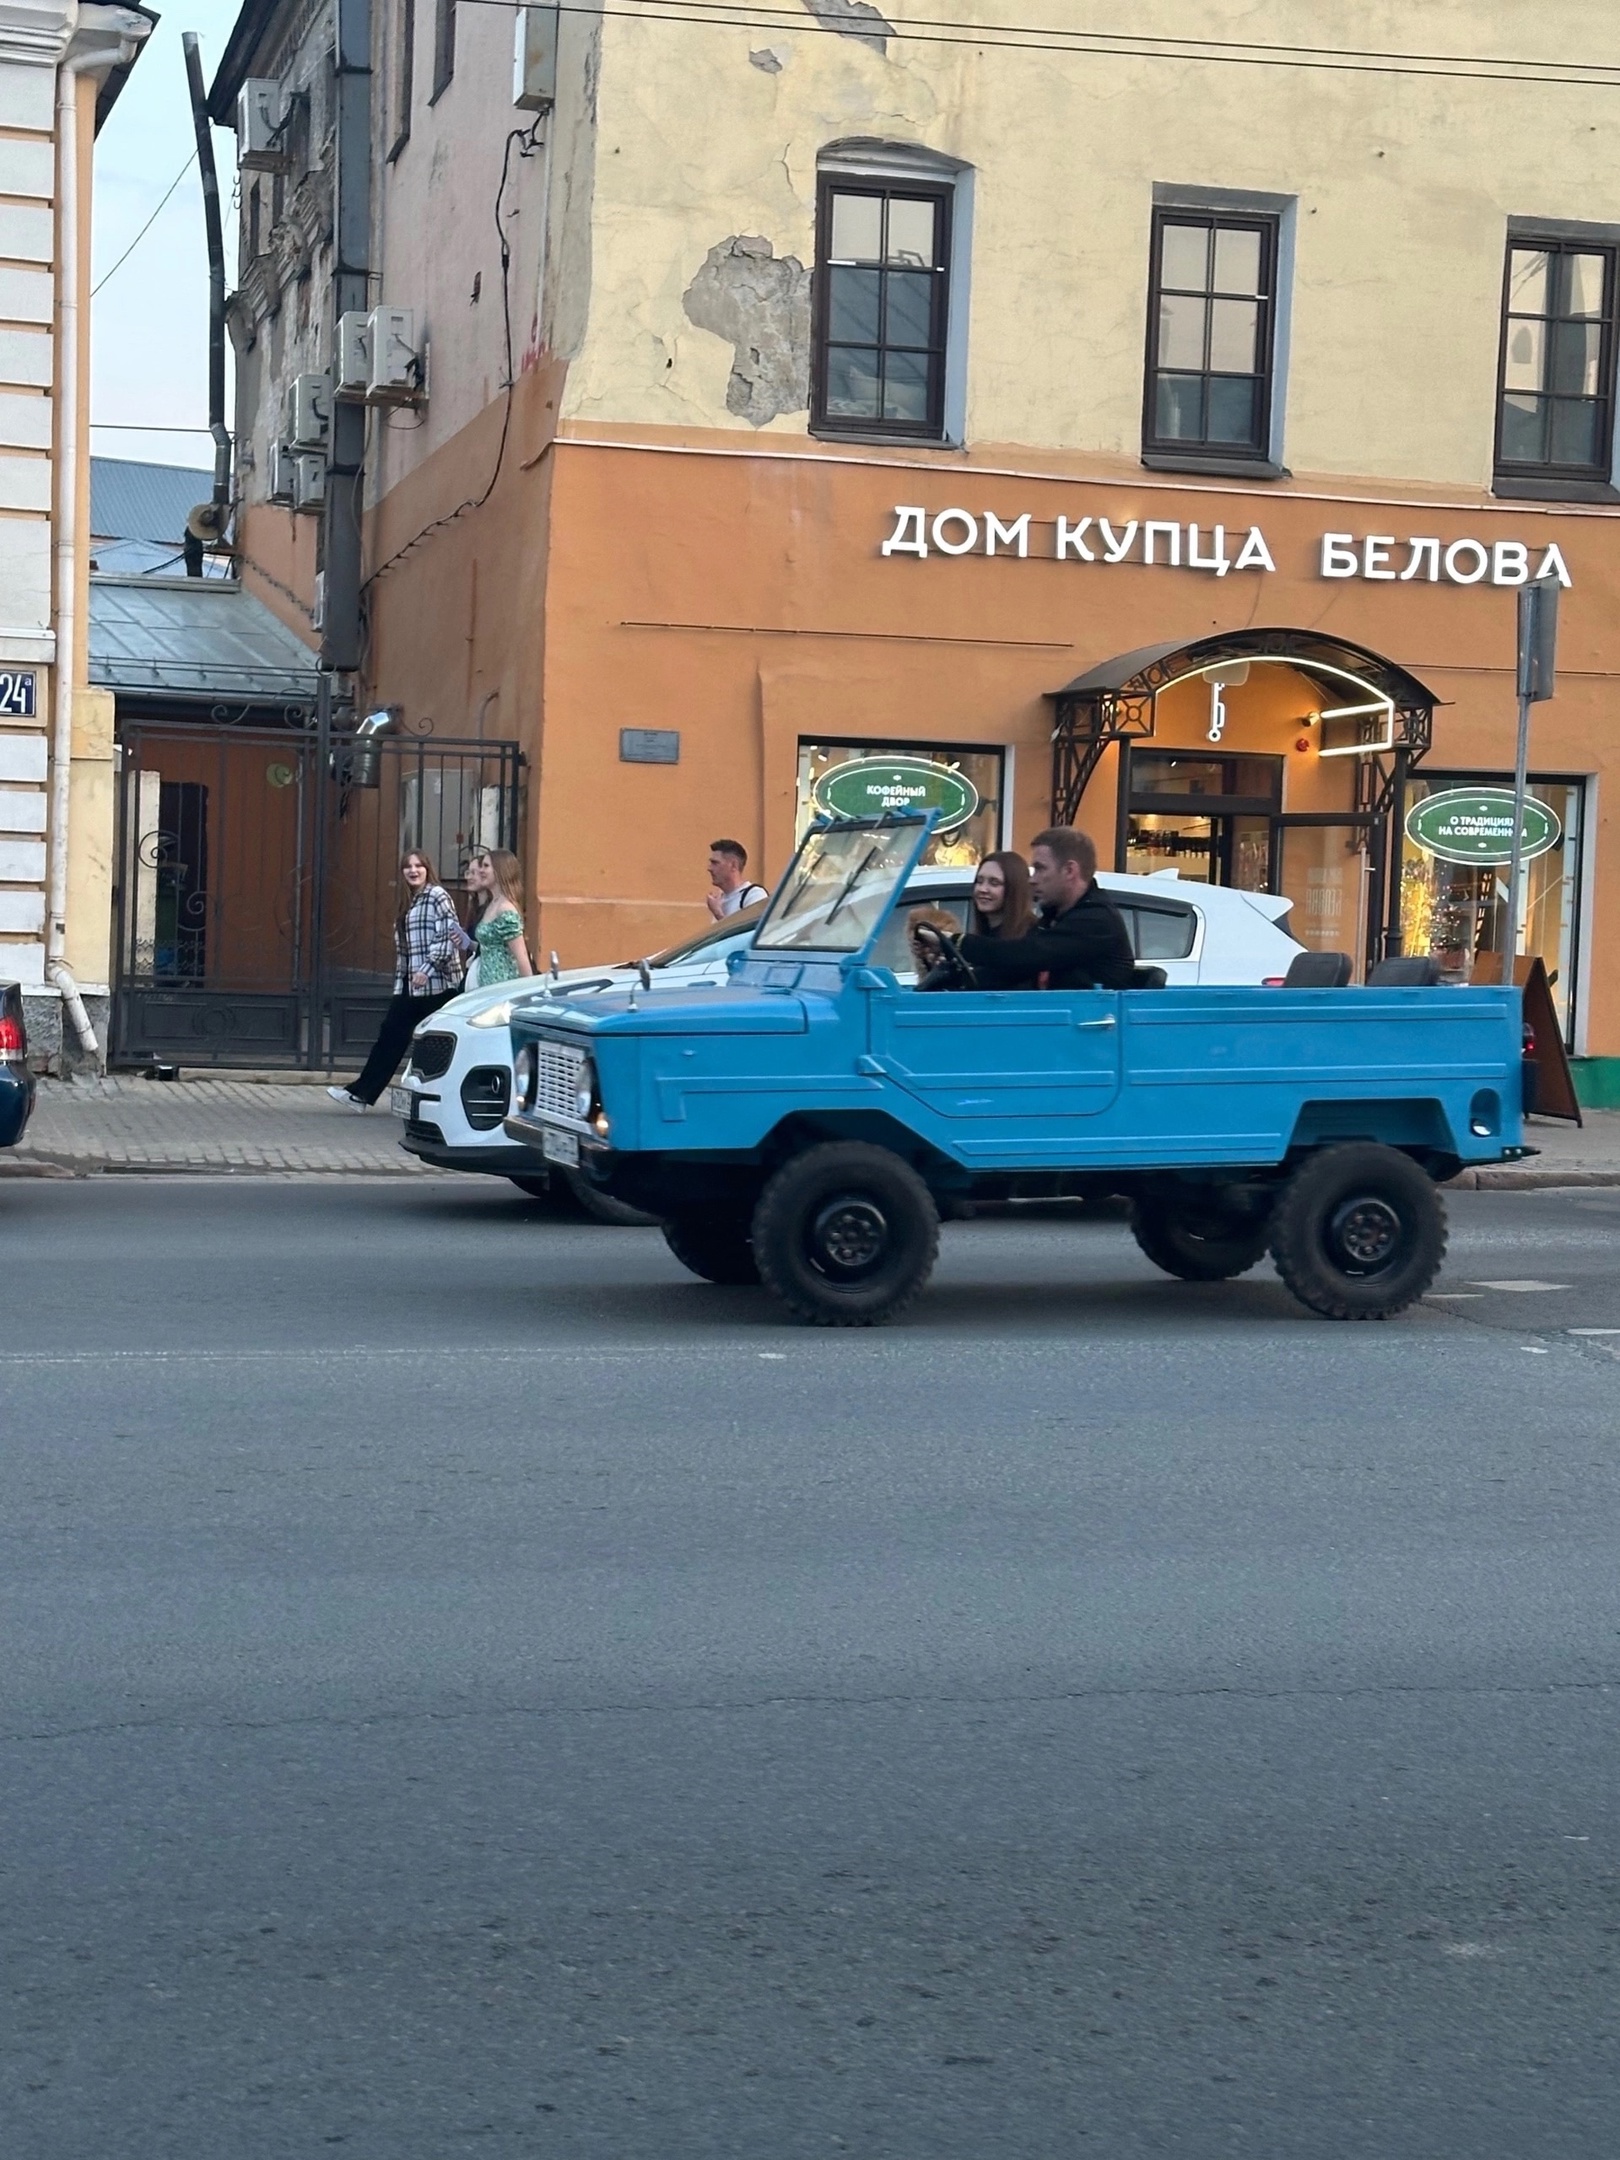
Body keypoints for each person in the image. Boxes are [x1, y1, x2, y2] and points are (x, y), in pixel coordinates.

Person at [327, 850, 466, 1108]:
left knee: (434, 1042)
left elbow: (449, 936)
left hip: (438, 986)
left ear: (428, 869)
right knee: (390, 1037)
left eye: (418, 865)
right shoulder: (409, 901)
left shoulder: (437, 896)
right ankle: (361, 1094)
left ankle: (439, 1099)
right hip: (411, 987)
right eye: (407, 866)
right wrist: (402, 984)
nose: (413, 870)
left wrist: (427, 968)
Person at [919, 827, 1134, 991]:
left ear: (1069, 870)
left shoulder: (1096, 919)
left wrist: (954, 941)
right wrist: (953, 977)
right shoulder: (1057, 917)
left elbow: (1025, 955)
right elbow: (1014, 973)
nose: (1032, 880)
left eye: (1040, 869)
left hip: (1090, 1030)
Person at [465, 847, 534, 986]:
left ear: (499, 870)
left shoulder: (505, 909)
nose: (481, 871)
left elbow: (521, 957)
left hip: (503, 985)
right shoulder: (492, 904)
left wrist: (528, 990)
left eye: (486, 866)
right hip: (486, 985)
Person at [967, 849, 1035, 940]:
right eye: (979, 881)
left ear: (1014, 888)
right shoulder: (980, 935)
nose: (982, 889)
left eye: (994, 883)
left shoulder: (1033, 937)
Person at [705, 838, 768, 920]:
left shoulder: (754, 895)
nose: (709, 868)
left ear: (733, 865)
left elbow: (755, 927)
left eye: (715, 863)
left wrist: (718, 914)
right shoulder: (719, 901)